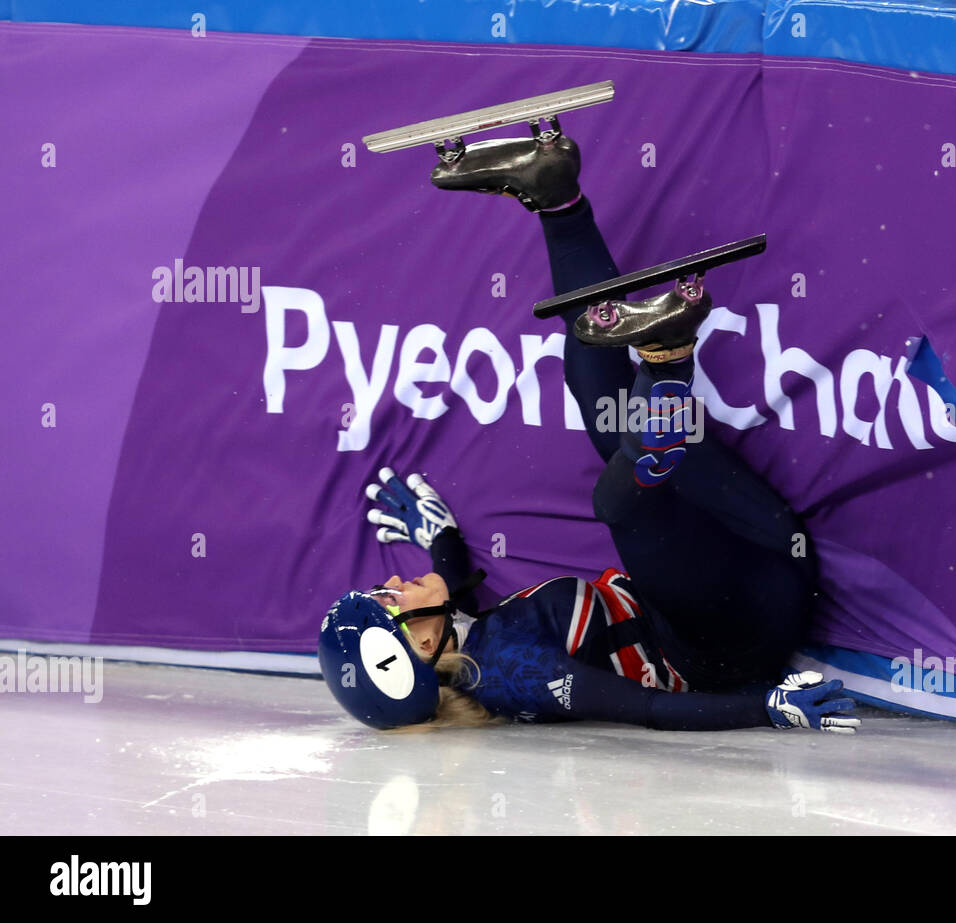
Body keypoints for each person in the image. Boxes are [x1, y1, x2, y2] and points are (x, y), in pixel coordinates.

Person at [318, 124, 859, 735]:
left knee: (604, 407)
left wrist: (439, 536)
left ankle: (556, 197)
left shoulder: (466, 640)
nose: (390, 580)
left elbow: (457, 600)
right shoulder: (509, 671)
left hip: (750, 552)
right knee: (616, 496)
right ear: (416, 647)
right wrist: (767, 708)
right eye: (388, 600)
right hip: (738, 637)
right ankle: (666, 364)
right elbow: (648, 710)